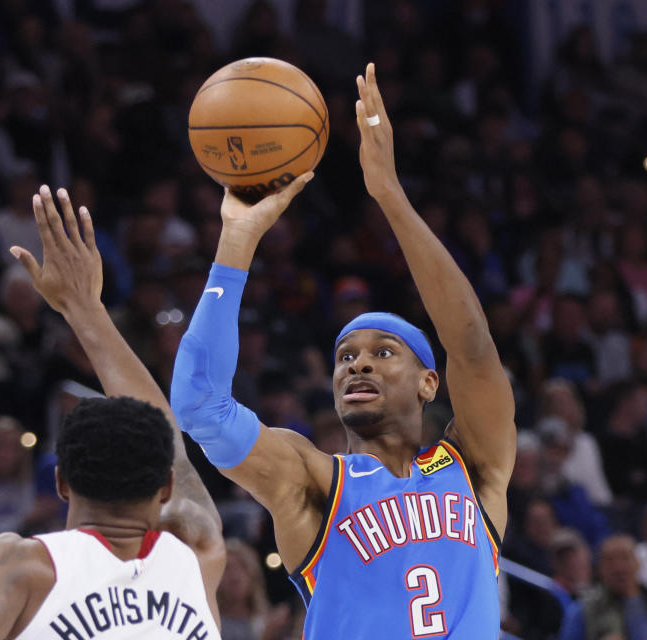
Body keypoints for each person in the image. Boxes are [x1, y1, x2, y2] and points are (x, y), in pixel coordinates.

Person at [170, 63, 516, 639]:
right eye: (346, 356)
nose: (357, 362)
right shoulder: (314, 482)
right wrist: (237, 241)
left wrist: (389, 195)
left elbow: (473, 347)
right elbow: (200, 405)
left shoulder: (472, 468)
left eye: (384, 353)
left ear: (430, 382)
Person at [0, 183, 224, 639]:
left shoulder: (22, 569)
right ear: (166, 487)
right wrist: (87, 311)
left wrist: (79, 308)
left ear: (59, 482)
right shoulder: (198, 555)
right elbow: (169, 439)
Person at [559, 534, 647, 640]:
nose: (618, 567)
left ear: (638, 563)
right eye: (610, 560)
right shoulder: (583, 611)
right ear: (600, 569)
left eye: (625, 558)